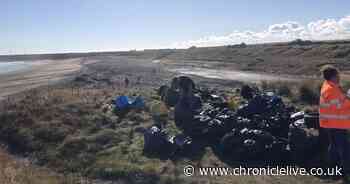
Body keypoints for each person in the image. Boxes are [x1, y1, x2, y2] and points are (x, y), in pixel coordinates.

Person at [319, 65, 350, 174]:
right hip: (337, 124)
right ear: (332, 76)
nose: (339, 77)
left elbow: (338, 102)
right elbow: (342, 105)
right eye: (337, 75)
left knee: (334, 146)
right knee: (345, 147)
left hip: (330, 123)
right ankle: (346, 170)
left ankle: (332, 167)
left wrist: (344, 95)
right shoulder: (332, 90)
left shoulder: (327, 86)